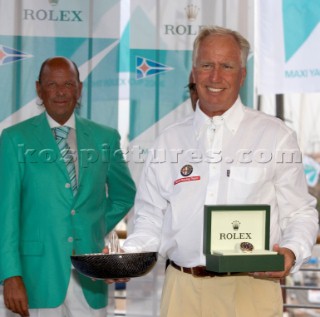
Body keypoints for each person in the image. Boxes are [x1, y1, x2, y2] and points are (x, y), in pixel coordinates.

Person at [110, 26, 319, 316]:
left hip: (251, 290)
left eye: (227, 66)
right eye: (207, 65)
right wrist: (129, 257)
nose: (215, 76)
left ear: (242, 74)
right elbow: (149, 216)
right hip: (182, 290)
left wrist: (292, 251)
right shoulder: (168, 141)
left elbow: (300, 212)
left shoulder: (275, 136)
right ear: (194, 73)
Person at [0, 56, 136, 317]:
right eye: (52, 84)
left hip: (91, 278)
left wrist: (92, 225)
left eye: (68, 84)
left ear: (80, 88)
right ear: (39, 89)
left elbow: (124, 194)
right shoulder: (15, 138)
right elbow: (5, 214)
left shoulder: (105, 137)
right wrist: (10, 274)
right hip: (35, 277)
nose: (61, 92)